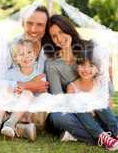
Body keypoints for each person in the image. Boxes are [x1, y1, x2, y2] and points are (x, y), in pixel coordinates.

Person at [45, 14, 115, 144]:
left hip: (98, 108)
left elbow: (107, 85)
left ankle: (78, 134)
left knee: (104, 112)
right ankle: (104, 137)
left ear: (68, 29)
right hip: (75, 110)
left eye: (61, 32)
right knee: (57, 117)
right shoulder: (52, 64)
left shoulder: (89, 47)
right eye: (54, 36)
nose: (59, 38)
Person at [0, 6, 50, 137]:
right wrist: (27, 85)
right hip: (2, 98)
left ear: (46, 27)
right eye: (30, 23)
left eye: (40, 25)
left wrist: (29, 88)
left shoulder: (48, 51)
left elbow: (43, 87)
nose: (34, 29)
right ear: (22, 23)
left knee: (45, 101)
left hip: (28, 105)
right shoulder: (8, 46)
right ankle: (17, 127)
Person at [0, 39, 44, 140]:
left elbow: (42, 91)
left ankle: (10, 124)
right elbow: (2, 86)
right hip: (10, 101)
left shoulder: (39, 74)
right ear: (16, 59)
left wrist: (28, 89)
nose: (26, 56)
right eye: (21, 54)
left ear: (35, 55)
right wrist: (10, 89)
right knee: (5, 90)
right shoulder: (11, 73)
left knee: (27, 94)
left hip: (26, 105)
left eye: (29, 52)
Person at [66, 40, 118, 151]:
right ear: (77, 66)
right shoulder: (72, 87)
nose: (86, 69)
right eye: (82, 65)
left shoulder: (99, 84)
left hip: (100, 117)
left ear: (97, 69)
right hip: (84, 119)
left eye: (91, 66)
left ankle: (116, 131)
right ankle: (103, 137)